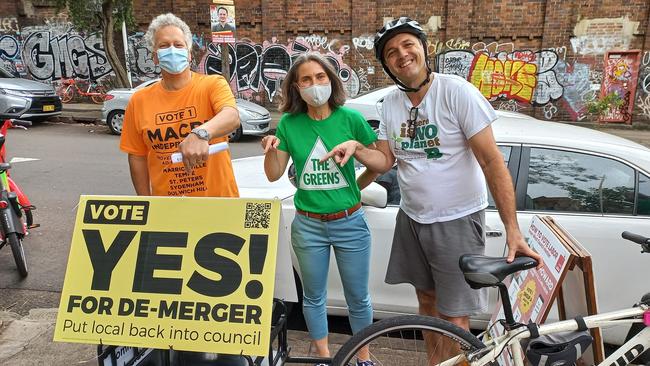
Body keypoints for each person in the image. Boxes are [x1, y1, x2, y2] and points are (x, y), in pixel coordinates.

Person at [322, 17, 542, 364]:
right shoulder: (391, 104)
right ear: (387, 65)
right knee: (426, 304)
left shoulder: (456, 92)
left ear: (425, 49)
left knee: (455, 316)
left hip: (456, 219)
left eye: (408, 45)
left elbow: (492, 162)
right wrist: (357, 152)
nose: (402, 55)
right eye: (391, 52)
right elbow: (385, 160)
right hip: (412, 218)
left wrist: (512, 229)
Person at [261, 52, 376, 366]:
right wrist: (269, 149)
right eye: (306, 80)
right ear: (296, 88)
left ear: (331, 79)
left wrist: (356, 183)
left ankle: (363, 357)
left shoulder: (350, 119)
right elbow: (274, 173)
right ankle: (325, 358)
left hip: (350, 222)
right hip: (308, 225)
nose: (314, 85)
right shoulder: (289, 123)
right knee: (314, 297)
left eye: (320, 77)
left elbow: (380, 162)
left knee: (358, 298)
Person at [120, 13, 240, 198]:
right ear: (155, 57)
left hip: (219, 203)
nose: (172, 50)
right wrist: (146, 204)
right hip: (169, 207)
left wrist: (200, 133)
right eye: (164, 46)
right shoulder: (139, 101)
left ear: (189, 53)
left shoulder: (212, 84)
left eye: (178, 45)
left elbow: (231, 117)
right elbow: (137, 157)